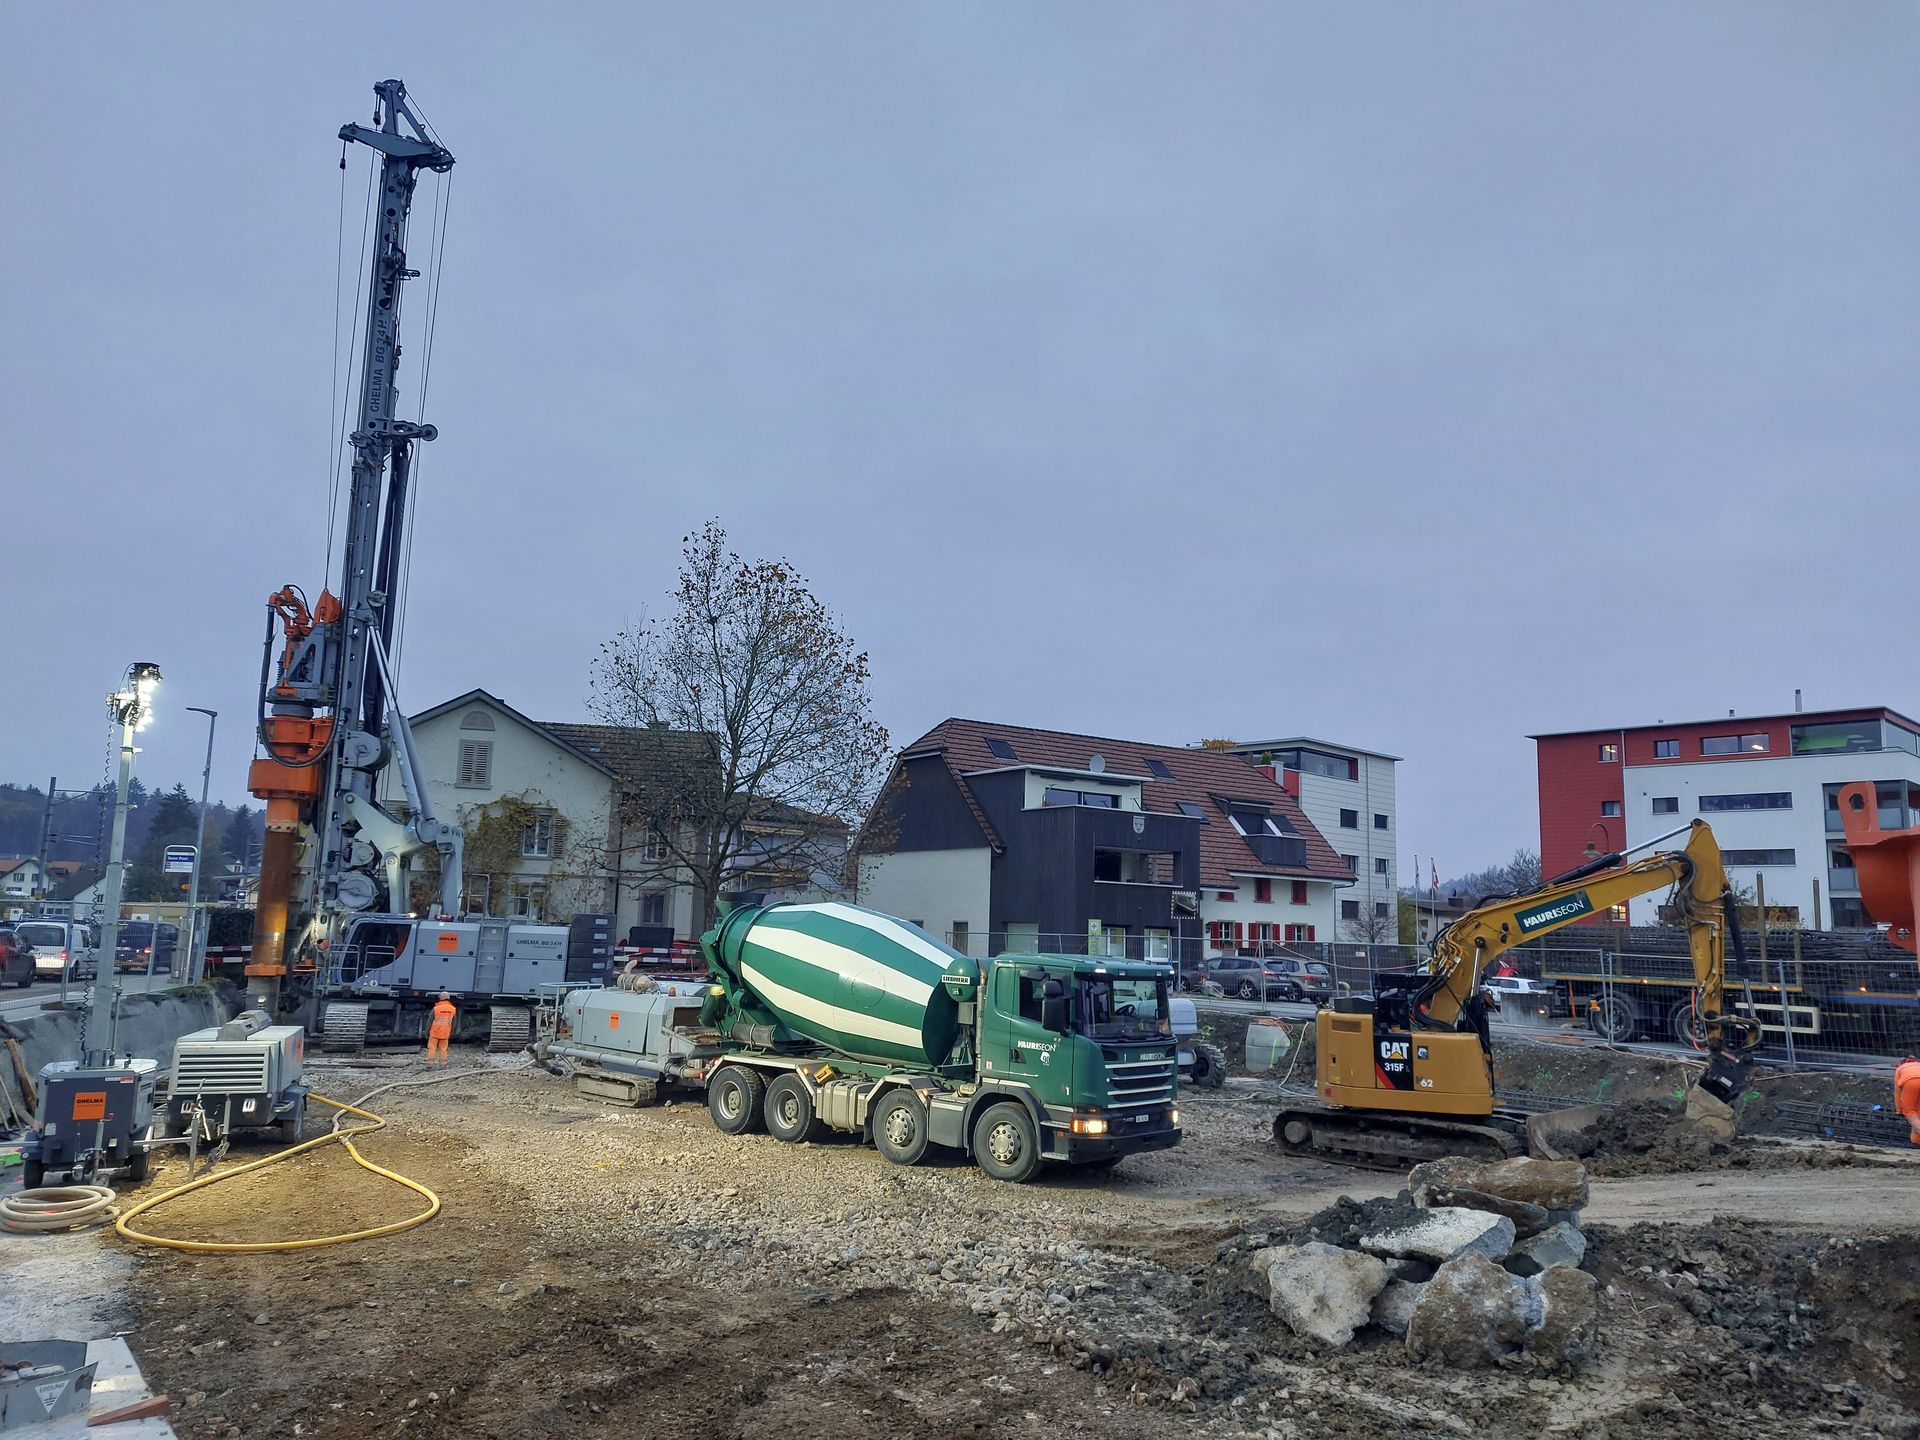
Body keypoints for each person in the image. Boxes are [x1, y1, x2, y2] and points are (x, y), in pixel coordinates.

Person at [426, 991, 457, 1065]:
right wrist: (451, 1032)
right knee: (443, 1049)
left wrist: (427, 1032)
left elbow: (429, 1022)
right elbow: (454, 1023)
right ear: (448, 998)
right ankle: (443, 1063)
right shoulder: (453, 1009)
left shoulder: (436, 1008)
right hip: (445, 1033)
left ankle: (430, 1063)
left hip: (434, 1032)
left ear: (440, 998)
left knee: (432, 1048)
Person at [1896, 1056, 1920, 1146]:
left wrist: (1900, 1110)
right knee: (1917, 1113)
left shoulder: (1900, 1068)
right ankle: (1916, 1141)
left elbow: (1897, 1092)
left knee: (1910, 1112)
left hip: (1911, 1082)